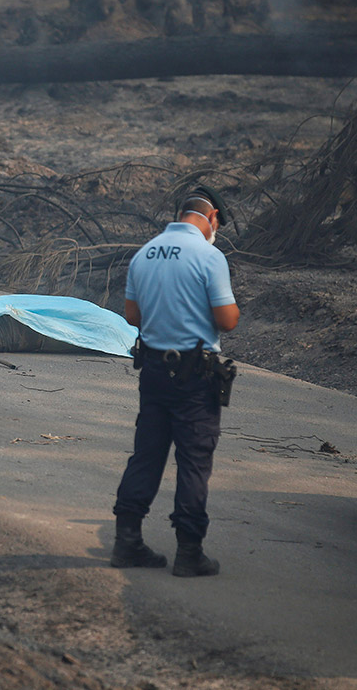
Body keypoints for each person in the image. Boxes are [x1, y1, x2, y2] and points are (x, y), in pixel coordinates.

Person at [111, 185, 240, 578]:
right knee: (194, 461)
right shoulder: (209, 256)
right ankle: (189, 552)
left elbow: (132, 315)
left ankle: (127, 542)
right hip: (195, 376)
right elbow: (228, 320)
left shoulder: (144, 254)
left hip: (152, 372)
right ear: (212, 218)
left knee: (146, 455)